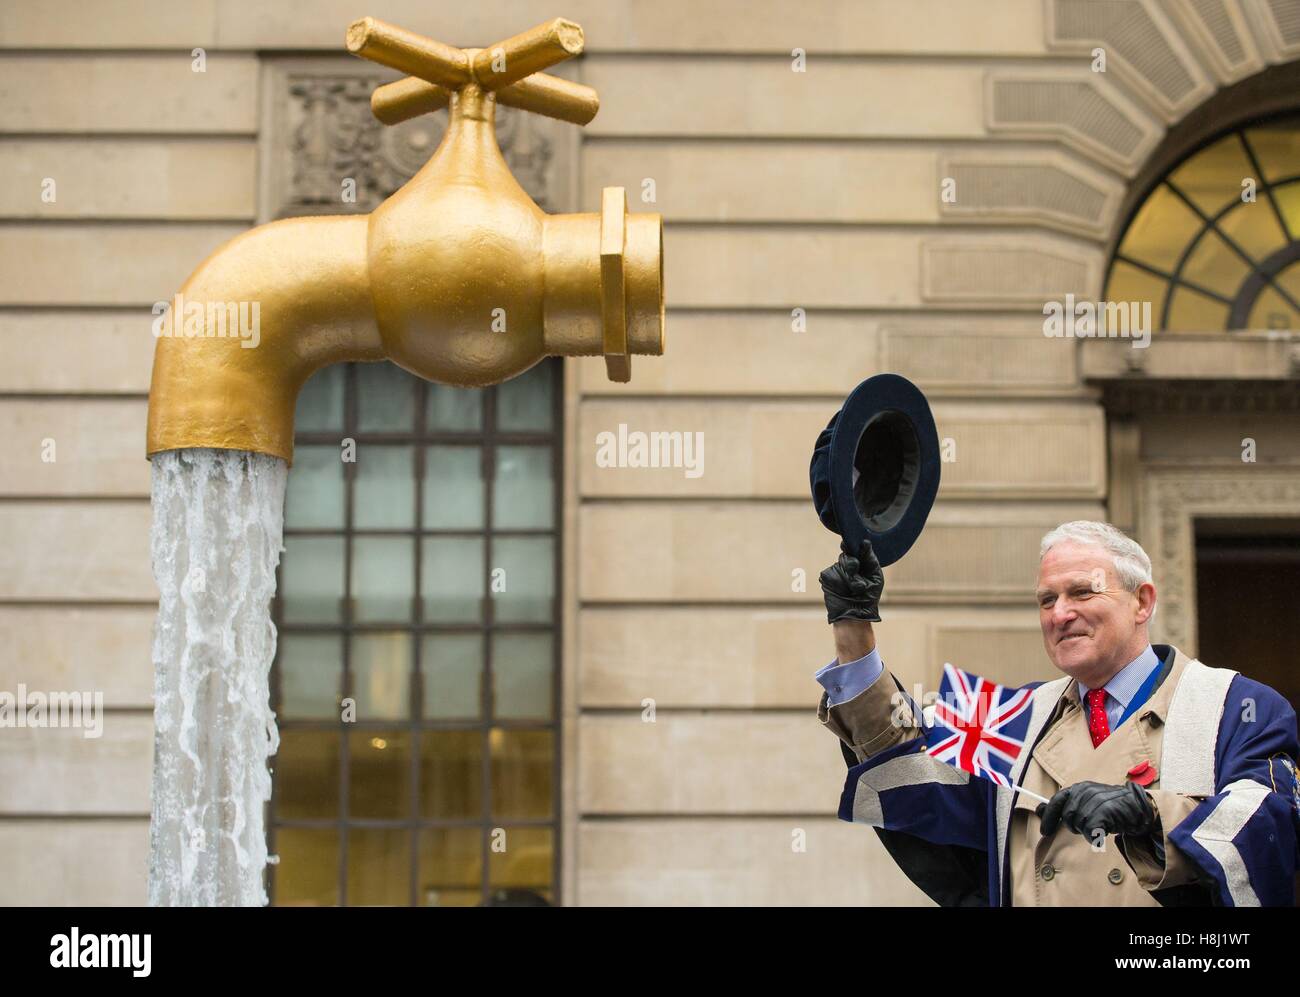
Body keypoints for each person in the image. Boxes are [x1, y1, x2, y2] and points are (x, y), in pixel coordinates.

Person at [815, 520, 1300, 906]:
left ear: (1142, 602)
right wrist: (854, 628)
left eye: (1082, 593)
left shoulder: (1236, 706)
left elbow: (1270, 822)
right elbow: (903, 756)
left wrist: (1151, 815)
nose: (1059, 613)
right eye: (1047, 599)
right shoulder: (1014, 714)